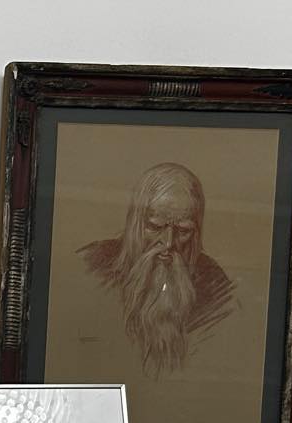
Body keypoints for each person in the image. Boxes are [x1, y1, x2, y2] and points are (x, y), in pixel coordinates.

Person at [77, 162, 235, 377]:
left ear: (196, 233)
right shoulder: (92, 266)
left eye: (183, 231)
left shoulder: (215, 287)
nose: (168, 243)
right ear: (135, 224)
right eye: (155, 227)